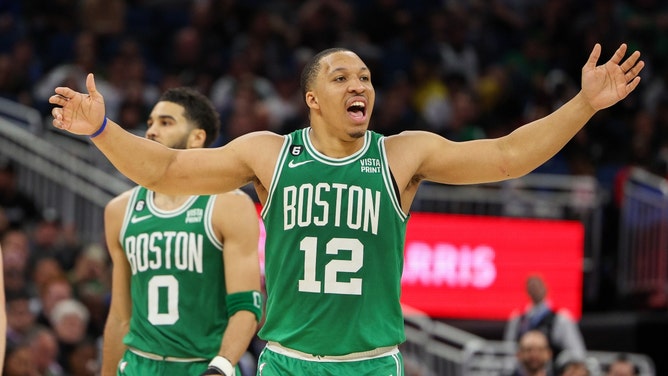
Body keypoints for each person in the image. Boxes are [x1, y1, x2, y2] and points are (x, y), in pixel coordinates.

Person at [49, 43, 644, 375]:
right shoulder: (269, 155)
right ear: (313, 98)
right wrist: (101, 127)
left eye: (364, 76)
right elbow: (166, 169)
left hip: (370, 363)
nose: (358, 85)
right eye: (341, 77)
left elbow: (508, 156)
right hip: (288, 363)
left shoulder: (403, 155)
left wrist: (585, 105)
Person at [99, 87, 263, 376]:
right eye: (150, 123)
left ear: (197, 137)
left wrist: (221, 367)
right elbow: (120, 317)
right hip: (139, 365)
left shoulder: (229, 204)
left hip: (203, 365)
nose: (151, 131)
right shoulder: (119, 210)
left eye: (166, 122)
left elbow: (246, 307)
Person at [504, 274, 587, 366]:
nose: (534, 355)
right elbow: (509, 352)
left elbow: (577, 352)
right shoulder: (517, 320)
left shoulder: (560, 319)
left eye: (538, 286)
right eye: (532, 287)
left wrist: (560, 364)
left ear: (545, 288)